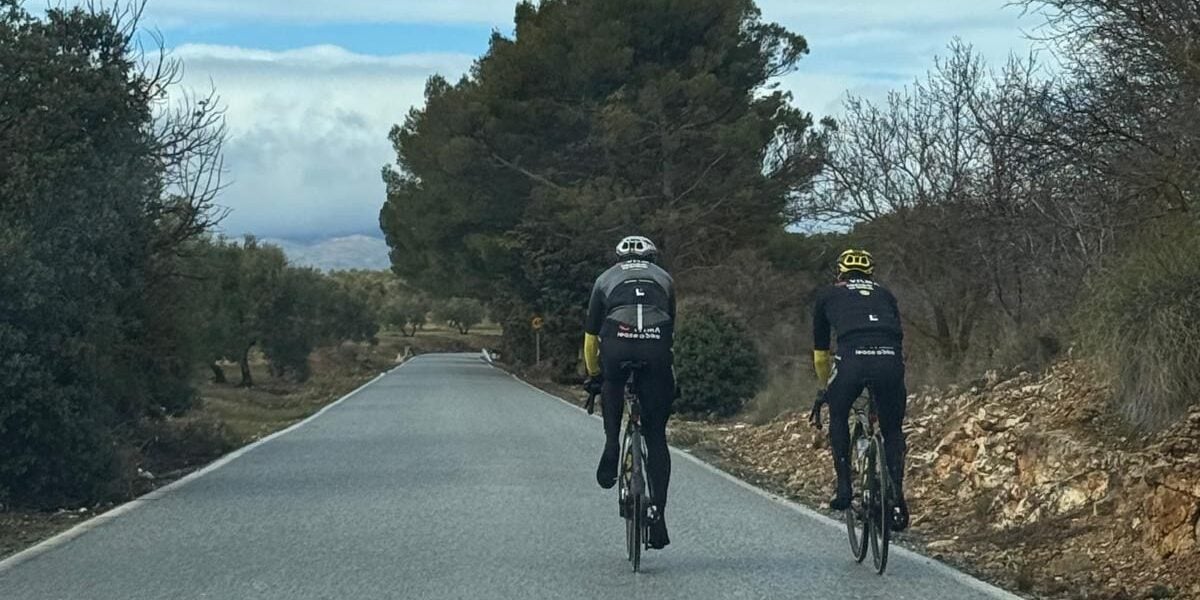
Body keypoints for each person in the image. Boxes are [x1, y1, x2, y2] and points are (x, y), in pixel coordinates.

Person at [582, 235, 677, 549]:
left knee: (611, 382)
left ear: (618, 258)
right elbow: (670, 331)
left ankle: (611, 444)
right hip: (656, 350)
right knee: (656, 436)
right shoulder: (665, 280)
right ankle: (659, 519)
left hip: (617, 346)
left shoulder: (604, 279)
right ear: (653, 257)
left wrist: (595, 375)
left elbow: (591, 339)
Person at [808, 249, 910, 531]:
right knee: (892, 431)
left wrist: (824, 386)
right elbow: (896, 334)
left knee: (839, 415)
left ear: (840, 272)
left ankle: (843, 487)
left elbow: (820, 354)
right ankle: (896, 495)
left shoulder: (828, 295)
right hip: (890, 359)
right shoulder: (886, 294)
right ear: (870, 273)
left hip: (852, 360)